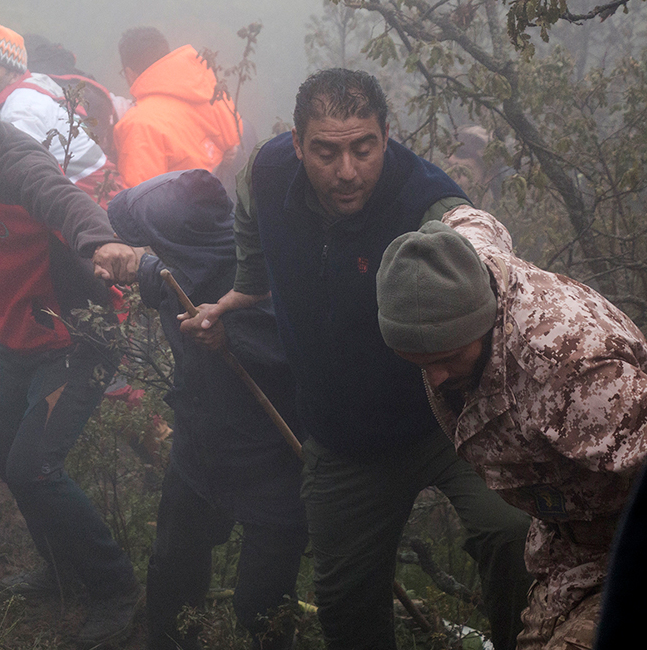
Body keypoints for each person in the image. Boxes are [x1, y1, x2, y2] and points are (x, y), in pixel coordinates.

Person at [182, 68, 531, 650]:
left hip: (450, 422)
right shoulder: (267, 172)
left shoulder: (429, 200)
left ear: (386, 135)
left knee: (513, 533)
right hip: (342, 438)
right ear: (296, 144)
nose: (347, 172)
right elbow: (247, 211)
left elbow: (485, 263)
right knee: (346, 607)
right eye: (325, 151)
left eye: (363, 149)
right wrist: (247, 285)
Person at [0, 47, 142, 647]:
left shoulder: (12, 158)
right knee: (7, 456)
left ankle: (117, 589)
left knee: (35, 467)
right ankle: (60, 568)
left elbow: (61, 198)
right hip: (21, 334)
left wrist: (100, 241)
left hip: (77, 335)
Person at [377, 208, 647, 649]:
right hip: (566, 550)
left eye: (450, 358)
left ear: (483, 323)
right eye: (422, 363)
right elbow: (471, 218)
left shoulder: (573, 374)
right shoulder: (464, 262)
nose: (438, 377)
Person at [109, 170, 307, 650]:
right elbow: (135, 238)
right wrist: (116, 256)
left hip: (274, 467)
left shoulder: (266, 278)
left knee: (262, 604)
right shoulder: (174, 269)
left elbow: (298, 355)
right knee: (174, 565)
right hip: (200, 453)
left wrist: (229, 337)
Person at [0, 23, 117, 202]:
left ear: (14, 74)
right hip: (86, 198)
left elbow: (14, 175)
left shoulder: (23, 106)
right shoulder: (22, 94)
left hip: (100, 205)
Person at [113, 26, 242, 187]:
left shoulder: (139, 124)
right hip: (231, 198)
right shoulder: (208, 89)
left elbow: (139, 202)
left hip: (193, 209)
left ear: (129, 73)